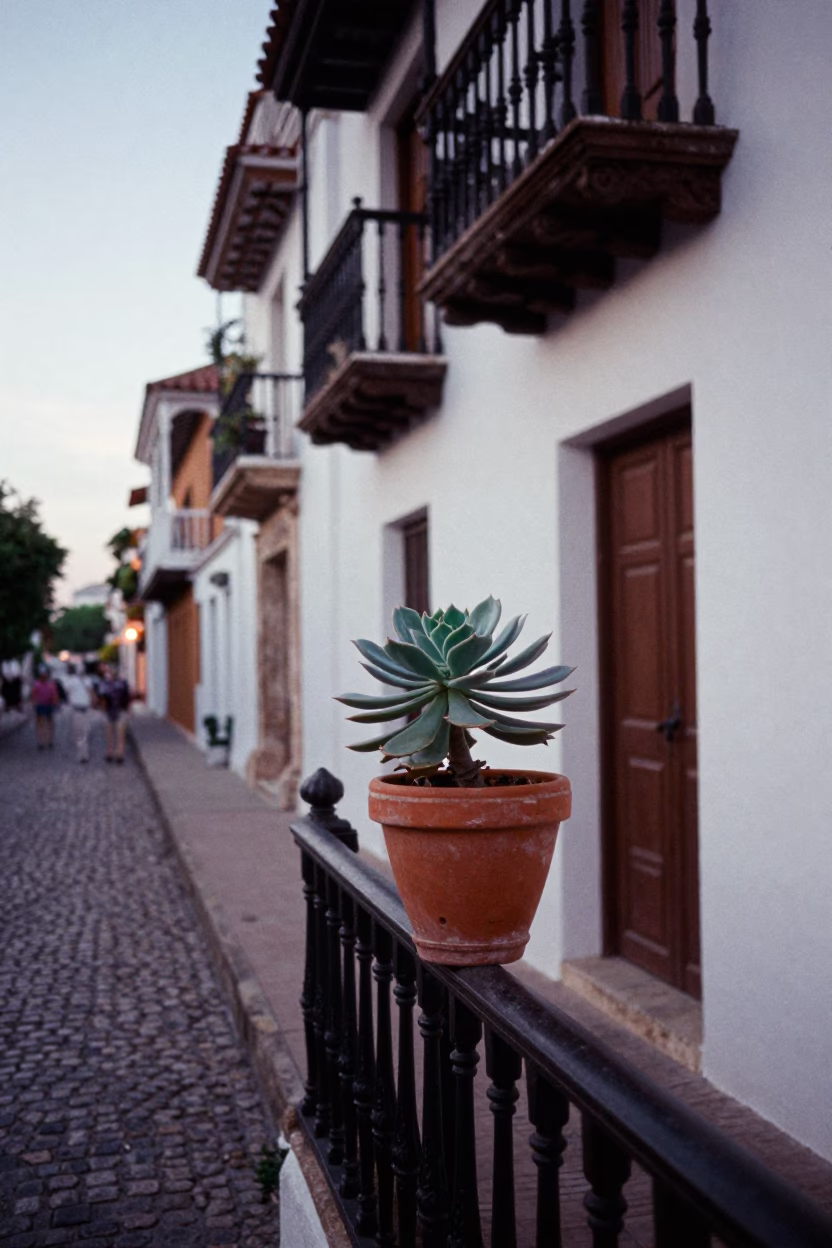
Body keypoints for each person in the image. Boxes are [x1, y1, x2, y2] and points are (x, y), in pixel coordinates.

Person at [98, 664, 131, 763]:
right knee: (109, 732)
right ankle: (110, 753)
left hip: (120, 709)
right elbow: (101, 696)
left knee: (120, 732)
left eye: (113, 672)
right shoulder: (104, 683)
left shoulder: (122, 683)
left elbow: (127, 697)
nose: (111, 674)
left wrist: (128, 710)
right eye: (109, 672)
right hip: (109, 710)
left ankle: (120, 753)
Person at [64, 663, 93, 763]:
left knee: (81, 732)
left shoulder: (73, 680)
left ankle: (83, 754)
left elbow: (67, 692)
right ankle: (83, 753)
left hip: (81, 708)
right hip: (80, 708)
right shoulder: (82, 680)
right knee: (82, 732)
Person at [31, 667, 60, 750]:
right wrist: (34, 703)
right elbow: (33, 695)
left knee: (48, 723)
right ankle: (42, 740)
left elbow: (55, 696)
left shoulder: (50, 685)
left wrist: (56, 704)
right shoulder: (38, 684)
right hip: (41, 705)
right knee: (42, 723)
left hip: (48, 705)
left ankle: (48, 740)